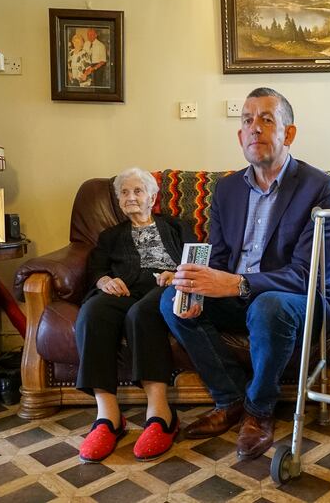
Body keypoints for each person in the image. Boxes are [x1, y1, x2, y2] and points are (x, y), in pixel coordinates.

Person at [159, 87, 330, 461]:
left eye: (266, 119)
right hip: (239, 295)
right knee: (171, 300)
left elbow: (307, 273)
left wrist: (239, 284)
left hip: (299, 299)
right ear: (239, 136)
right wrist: (196, 285)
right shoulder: (226, 189)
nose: (254, 128)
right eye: (247, 121)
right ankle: (229, 399)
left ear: (288, 134)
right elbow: (221, 259)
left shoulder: (321, 188)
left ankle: (259, 411)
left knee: (268, 307)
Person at [74, 167, 197, 463]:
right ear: (118, 201)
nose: (131, 197)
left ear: (152, 198)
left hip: (164, 286)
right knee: (93, 312)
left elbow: (197, 256)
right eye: (125, 193)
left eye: (138, 191)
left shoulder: (177, 226)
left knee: (142, 314)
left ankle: (160, 414)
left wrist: (176, 273)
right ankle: (108, 418)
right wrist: (104, 281)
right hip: (125, 289)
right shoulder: (110, 236)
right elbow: (97, 269)